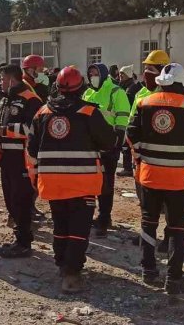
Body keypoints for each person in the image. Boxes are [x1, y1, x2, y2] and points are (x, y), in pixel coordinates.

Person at [28, 66, 114, 293]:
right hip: (82, 182)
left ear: (57, 87)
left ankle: (61, 264)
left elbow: (32, 148)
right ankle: (72, 273)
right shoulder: (88, 112)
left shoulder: (42, 112)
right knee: (79, 228)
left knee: (60, 224)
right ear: (82, 88)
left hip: (52, 181)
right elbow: (109, 142)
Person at [127, 63, 184, 294]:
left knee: (148, 223)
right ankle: (174, 278)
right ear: (182, 82)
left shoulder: (144, 102)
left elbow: (130, 134)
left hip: (149, 176)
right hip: (179, 179)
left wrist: (141, 155)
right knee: (177, 228)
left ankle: (148, 270)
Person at [0, 64, 43, 258]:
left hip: (23, 159)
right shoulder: (4, 99)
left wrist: (5, 131)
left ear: (12, 79)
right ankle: (19, 238)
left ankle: (24, 242)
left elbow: (32, 129)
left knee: (22, 200)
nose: (0, 83)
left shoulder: (31, 100)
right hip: (6, 159)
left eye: (2, 79)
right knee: (11, 201)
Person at [82, 63, 130, 237]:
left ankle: (104, 217)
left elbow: (123, 117)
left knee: (106, 184)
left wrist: (117, 140)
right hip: (89, 145)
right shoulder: (88, 93)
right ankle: (90, 215)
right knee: (89, 183)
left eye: (95, 74)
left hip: (108, 144)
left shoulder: (116, 92)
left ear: (102, 74)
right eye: (90, 74)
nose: (92, 77)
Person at [117, 70, 137, 177]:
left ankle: (127, 168)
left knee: (126, 145)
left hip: (128, 119)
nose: (120, 76)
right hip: (127, 118)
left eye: (122, 74)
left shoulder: (130, 88)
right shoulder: (127, 86)